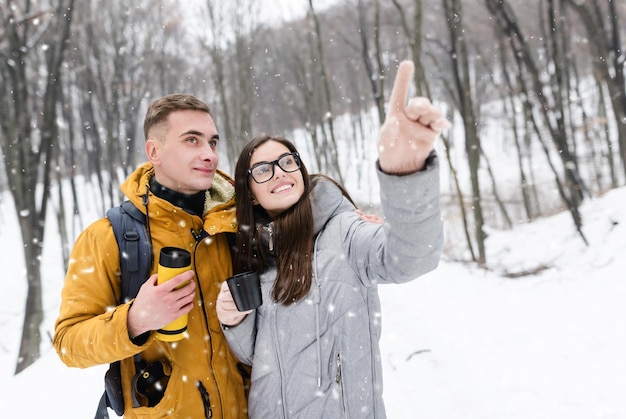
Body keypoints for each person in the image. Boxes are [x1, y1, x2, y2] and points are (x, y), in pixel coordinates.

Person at [215, 60, 450, 418]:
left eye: (287, 161)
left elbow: (413, 256)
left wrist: (406, 176)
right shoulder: (256, 255)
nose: (280, 172)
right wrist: (236, 321)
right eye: (263, 169)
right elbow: (258, 358)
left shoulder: (343, 232)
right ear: (249, 194)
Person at [53, 94, 248, 418]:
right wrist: (135, 320)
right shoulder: (108, 237)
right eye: (192, 140)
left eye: (212, 142)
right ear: (154, 151)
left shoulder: (236, 220)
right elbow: (67, 343)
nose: (209, 154)